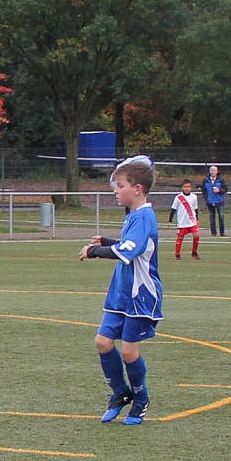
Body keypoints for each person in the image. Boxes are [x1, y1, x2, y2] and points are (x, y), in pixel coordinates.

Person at [78, 156, 162, 425]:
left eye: (120, 185)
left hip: (140, 295)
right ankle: (120, 393)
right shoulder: (134, 216)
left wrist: (94, 251)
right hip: (121, 293)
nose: (115, 190)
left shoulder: (144, 217)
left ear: (137, 189)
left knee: (128, 352)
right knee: (103, 342)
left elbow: (128, 250)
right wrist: (107, 241)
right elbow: (130, 245)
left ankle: (141, 399)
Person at [169, 179, 200, 260]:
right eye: (185, 187)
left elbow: (195, 208)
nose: (186, 188)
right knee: (180, 237)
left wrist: (197, 218)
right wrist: (170, 220)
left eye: (188, 187)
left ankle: (194, 252)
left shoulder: (194, 197)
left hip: (192, 220)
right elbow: (173, 209)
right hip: (182, 221)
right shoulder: (178, 197)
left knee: (196, 235)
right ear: (182, 188)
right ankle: (177, 254)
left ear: (191, 188)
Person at [201, 165, 228, 236]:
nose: (213, 172)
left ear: (217, 171)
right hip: (210, 201)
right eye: (211, 170)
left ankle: (222, 232)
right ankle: (213, 233)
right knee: (212, 217)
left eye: (214, 170)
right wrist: (206, 198)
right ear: (209, 172)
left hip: (219, 201)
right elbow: (203, 190)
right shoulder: (206, 180)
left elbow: (225, 189)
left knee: (221, 216)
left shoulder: (221, 180)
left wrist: (219, 190)